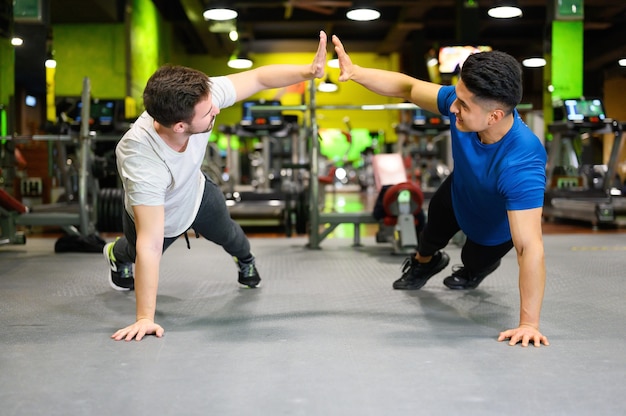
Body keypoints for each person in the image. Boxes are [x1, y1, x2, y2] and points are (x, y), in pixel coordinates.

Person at [103, 31, 328, 342]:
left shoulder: (199, 97)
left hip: (197, 195)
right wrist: (145, 318)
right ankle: (115, 253)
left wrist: (308, 71)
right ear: (179, 126)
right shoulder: (142, 158)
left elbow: (260, 78)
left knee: (231, 236)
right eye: (209, 113)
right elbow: (151, 244)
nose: (217, 111)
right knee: (136, 250)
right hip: (158, 214)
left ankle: (246, 261)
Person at [332, 35, 549, 348]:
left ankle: (477, 269)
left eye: (463, 105)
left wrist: (529, 323)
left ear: (494, 116)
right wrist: (356, 73)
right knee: (430, 234)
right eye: (456, 98)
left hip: (494, 224)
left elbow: (530, 247)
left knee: (472, 259)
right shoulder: (461, 103)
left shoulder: (522, 161)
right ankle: (425, 262)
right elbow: (407, 87)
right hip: (459, 192)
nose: (453, 108)